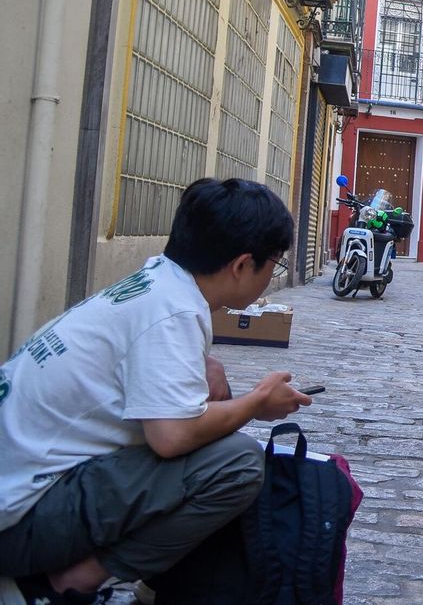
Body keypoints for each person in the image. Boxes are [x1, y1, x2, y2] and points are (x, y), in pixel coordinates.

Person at [0, 178, 313, 605]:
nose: (269, 275)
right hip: (18, 521)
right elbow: (172, 437)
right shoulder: (176, 311)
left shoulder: (157, 282)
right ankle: (64, 586)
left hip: (18, 493)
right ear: (242, 265)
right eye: (273, 264)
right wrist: (256, 403)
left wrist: (208, 372)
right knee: (237, 464)